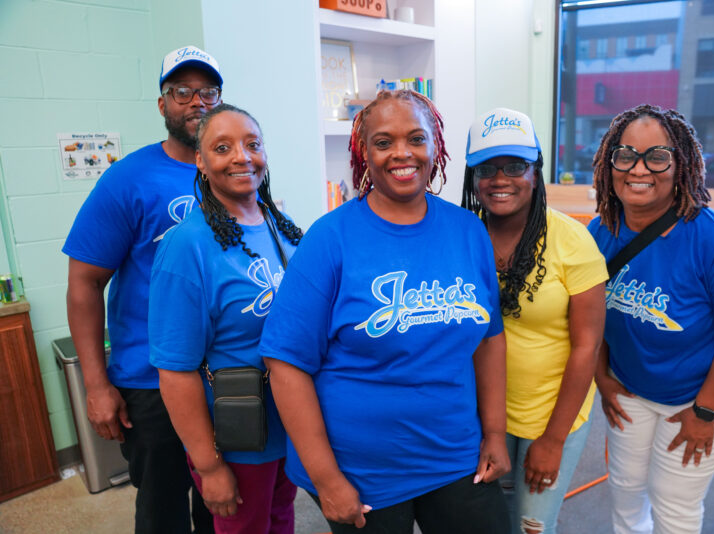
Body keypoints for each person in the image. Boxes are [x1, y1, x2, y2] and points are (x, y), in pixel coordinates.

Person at [260, 89, 511, 534]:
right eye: (383, 142)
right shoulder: (329, 239)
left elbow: (489, 338)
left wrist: (494, 432)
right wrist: (327, 479)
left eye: (416, 138)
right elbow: (286, 365)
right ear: (364, 153)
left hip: (455, 452)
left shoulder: (468, 231)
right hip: (362, 468)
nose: (402, 153)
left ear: (436, 147)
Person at [588, 104, 714, 534]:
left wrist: (705, 413)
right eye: (625, 155)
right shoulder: (600, 233)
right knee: (625, 488)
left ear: (682, 164)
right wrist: (603, 377)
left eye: (657, 156)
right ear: (608, 163)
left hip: (705, 392)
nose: (639, 168)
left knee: (674, 502)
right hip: (631, 386)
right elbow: (589, 317)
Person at [63, 45, 222, 533]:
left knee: (223, 502)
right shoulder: (128, 179)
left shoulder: (236, 172)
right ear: (162, 104)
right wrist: (96, 386)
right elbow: (84, 284)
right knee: (163, 511)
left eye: (208, 93)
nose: (197, 102)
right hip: (150, 382)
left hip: (227, 376)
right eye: (182, 92)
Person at [148, 103, 303, 533]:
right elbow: (175, 372)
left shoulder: (280, 226)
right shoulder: (186, 247)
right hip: (237, 438)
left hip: (289, 427)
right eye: (223, 147)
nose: (242, 156)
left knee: (280, 521)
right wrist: (209, 467)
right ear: (200, 160)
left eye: (252, 144)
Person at [461, 108, 607, 534]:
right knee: (490, 523)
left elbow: (587, 347)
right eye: (487, 167)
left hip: (552, 414)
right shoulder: (461, 235)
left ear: (536, 170)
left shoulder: (572, 240)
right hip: (482, 414)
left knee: (531, 527)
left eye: (515, 165)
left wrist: (554, 440)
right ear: (472, 176)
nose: (500, 179)